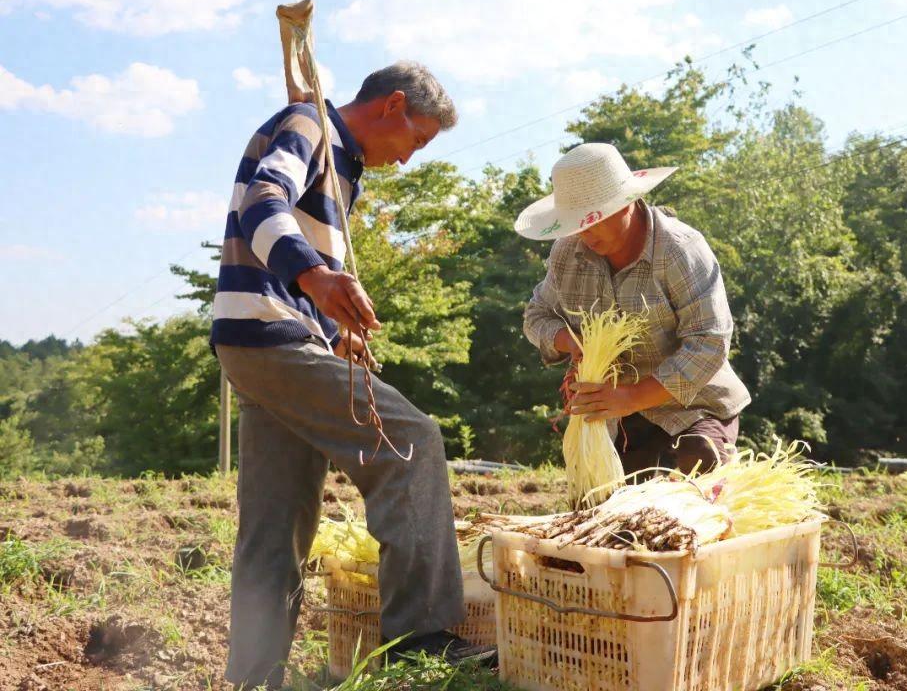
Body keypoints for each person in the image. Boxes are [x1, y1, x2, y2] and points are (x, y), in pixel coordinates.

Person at [210, 61, 493, 690]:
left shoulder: (342, 168)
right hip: (269, 334)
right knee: (410, 443)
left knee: (275, 525)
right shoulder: (308, 125)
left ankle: (255, 678)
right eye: (417, 140)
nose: (411, 159)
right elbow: (262, 202)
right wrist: (314, 275)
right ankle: (422, 641)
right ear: (393, 106)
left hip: (260, 337)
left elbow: (294, 258)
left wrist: (336, 328)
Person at [519, 143, 751, 477]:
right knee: (609, 508)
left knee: (699, 457)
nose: (585, 233)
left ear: (626, 202)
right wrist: (572, 343)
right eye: (576, 224)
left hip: (696, 406)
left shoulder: (678, 250)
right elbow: (536, 316)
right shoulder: (567, 254)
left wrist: (632, 397)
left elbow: (709, 342)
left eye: (593, 220)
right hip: (621, 419)